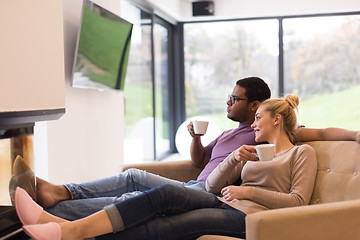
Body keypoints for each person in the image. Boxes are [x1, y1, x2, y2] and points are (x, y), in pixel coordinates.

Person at [35, 77, 360, 221]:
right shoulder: (230, 133)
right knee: (132, 192)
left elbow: (318, 132)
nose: (228, 102)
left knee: (134, 181)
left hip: (210, 191)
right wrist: (194, 137)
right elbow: (199, 160)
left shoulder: (266, 133)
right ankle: (57, 206)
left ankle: (61, 199)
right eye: (229, 97)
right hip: (197, 183)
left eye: (235, 99)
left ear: (256, 107)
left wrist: (355, 134)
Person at [15, 94, 318, 240]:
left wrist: (248, 189)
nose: (253, 124)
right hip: (223, 199)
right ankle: (62, 224)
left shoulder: (302, 153)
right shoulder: (254, 151)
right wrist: (234, 159)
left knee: (167, 226)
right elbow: (212, 186)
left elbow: (297, 201)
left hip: (252, 218)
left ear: (276, 119)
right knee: (162, 196)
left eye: (259, 118)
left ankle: (70, 230)